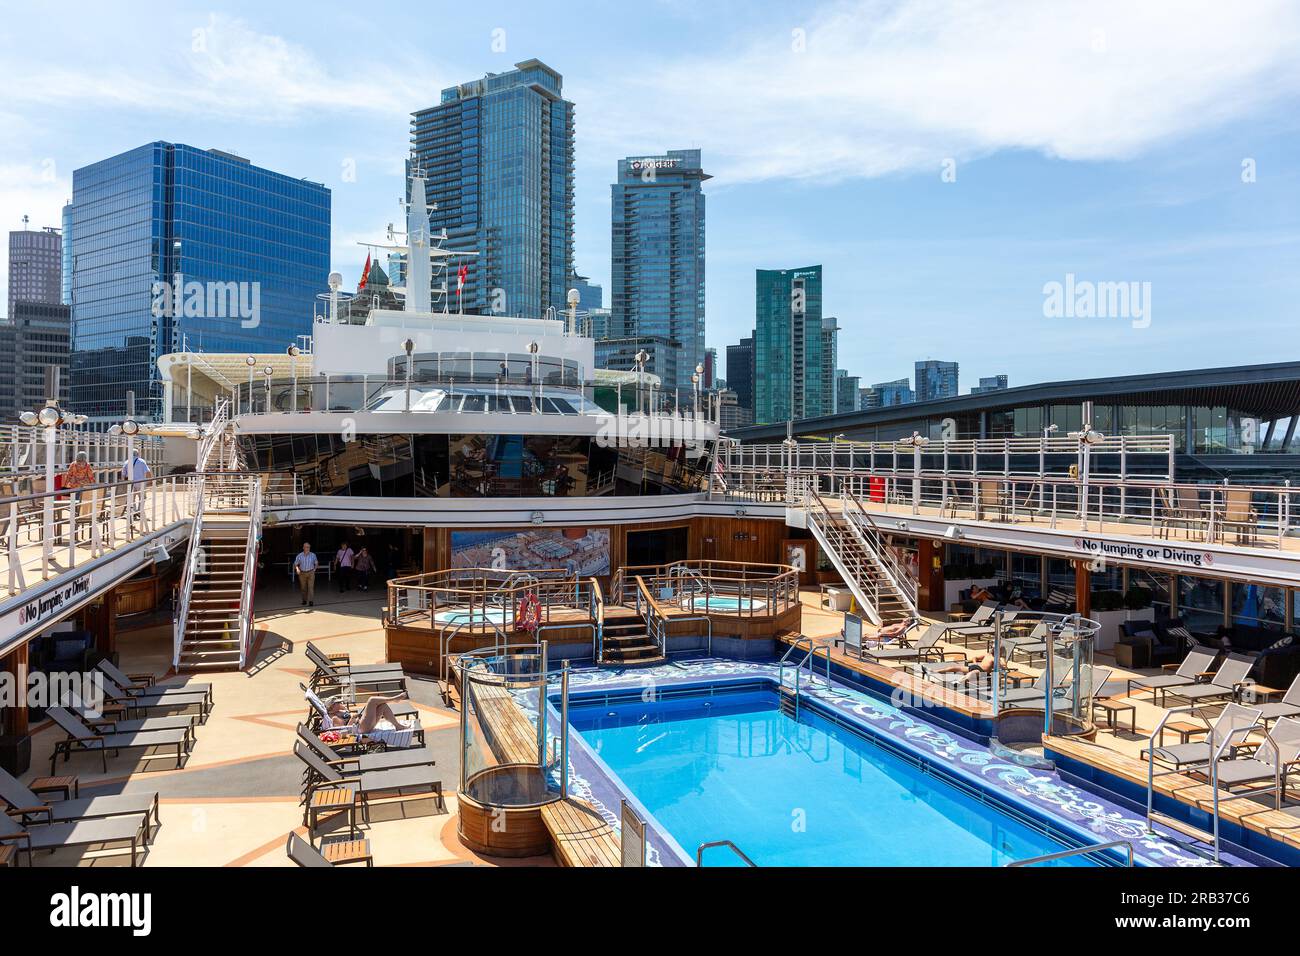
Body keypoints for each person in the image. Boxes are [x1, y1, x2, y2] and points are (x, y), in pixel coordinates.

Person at [322, 692, 410, 735]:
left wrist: (346, 710)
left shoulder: (339, 710)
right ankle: (394, 699)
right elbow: (345, 731)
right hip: (360, 728)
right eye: (337, 703)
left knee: (383, 706)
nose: (340, 704)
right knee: (371, 700)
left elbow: (346, 712)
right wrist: (353, 719)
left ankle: (397, 726)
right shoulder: (334, 718)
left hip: (362, 724)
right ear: (332, 706)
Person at [62, 452, 97, 537]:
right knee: (82, 503)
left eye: (81, 462)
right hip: (83, 488)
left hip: (74, 488)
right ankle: (81, 518)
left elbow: (68, 476)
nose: (80, 464)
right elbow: (91, 477)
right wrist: (95, 487)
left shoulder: (73, 465)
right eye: (79, 462)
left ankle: (75, 519)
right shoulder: (87, 465)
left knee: (75, 504)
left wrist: (64, 488)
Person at [930, 651, 997, 685]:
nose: (992, 649)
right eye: (992, 647)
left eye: (993, 648)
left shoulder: (997, 658)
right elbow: (975, 657)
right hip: (975, 667)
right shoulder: (987, 654)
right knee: (954, 668)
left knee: (970, 675)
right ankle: (934, 671)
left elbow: (1003, 667)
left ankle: (957, 683)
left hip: (982, 671)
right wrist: (975, 663)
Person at [121, 448, 151, 519]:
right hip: (141, 482)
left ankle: (134, 511)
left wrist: (123, 483)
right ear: (138, 454)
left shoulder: (126, 462)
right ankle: (139, 511)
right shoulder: (142, 461)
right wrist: (150, 481)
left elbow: (123, 474)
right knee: (142, 497)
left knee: (132, 498)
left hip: (130, 483)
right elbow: (147, 472)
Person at [293, 542, 318, 607]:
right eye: (306, 547)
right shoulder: (299, 555)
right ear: (303, 548)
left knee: (310, 587)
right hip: (302, 573)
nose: (307, 548)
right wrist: (297, 569)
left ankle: (311, 601)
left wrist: (314, 569)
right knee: (303, 588)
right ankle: (304, 600)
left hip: (311, 572)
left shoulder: (313, 555)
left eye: (308, 547)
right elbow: (295, 564)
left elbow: (316, 563)